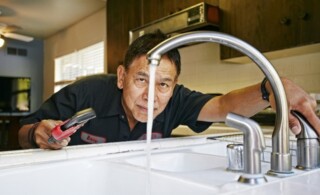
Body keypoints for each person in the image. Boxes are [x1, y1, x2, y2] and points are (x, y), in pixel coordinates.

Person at [18, 31, 320, 150]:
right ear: (122, 77)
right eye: (141, 80)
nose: (152, 95)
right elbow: (19, 131)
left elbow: (223, 103)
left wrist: (270, 89)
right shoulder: (85, 93)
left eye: (163, 84)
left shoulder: (176, 100)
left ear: (173, 86)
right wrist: (36, 134)